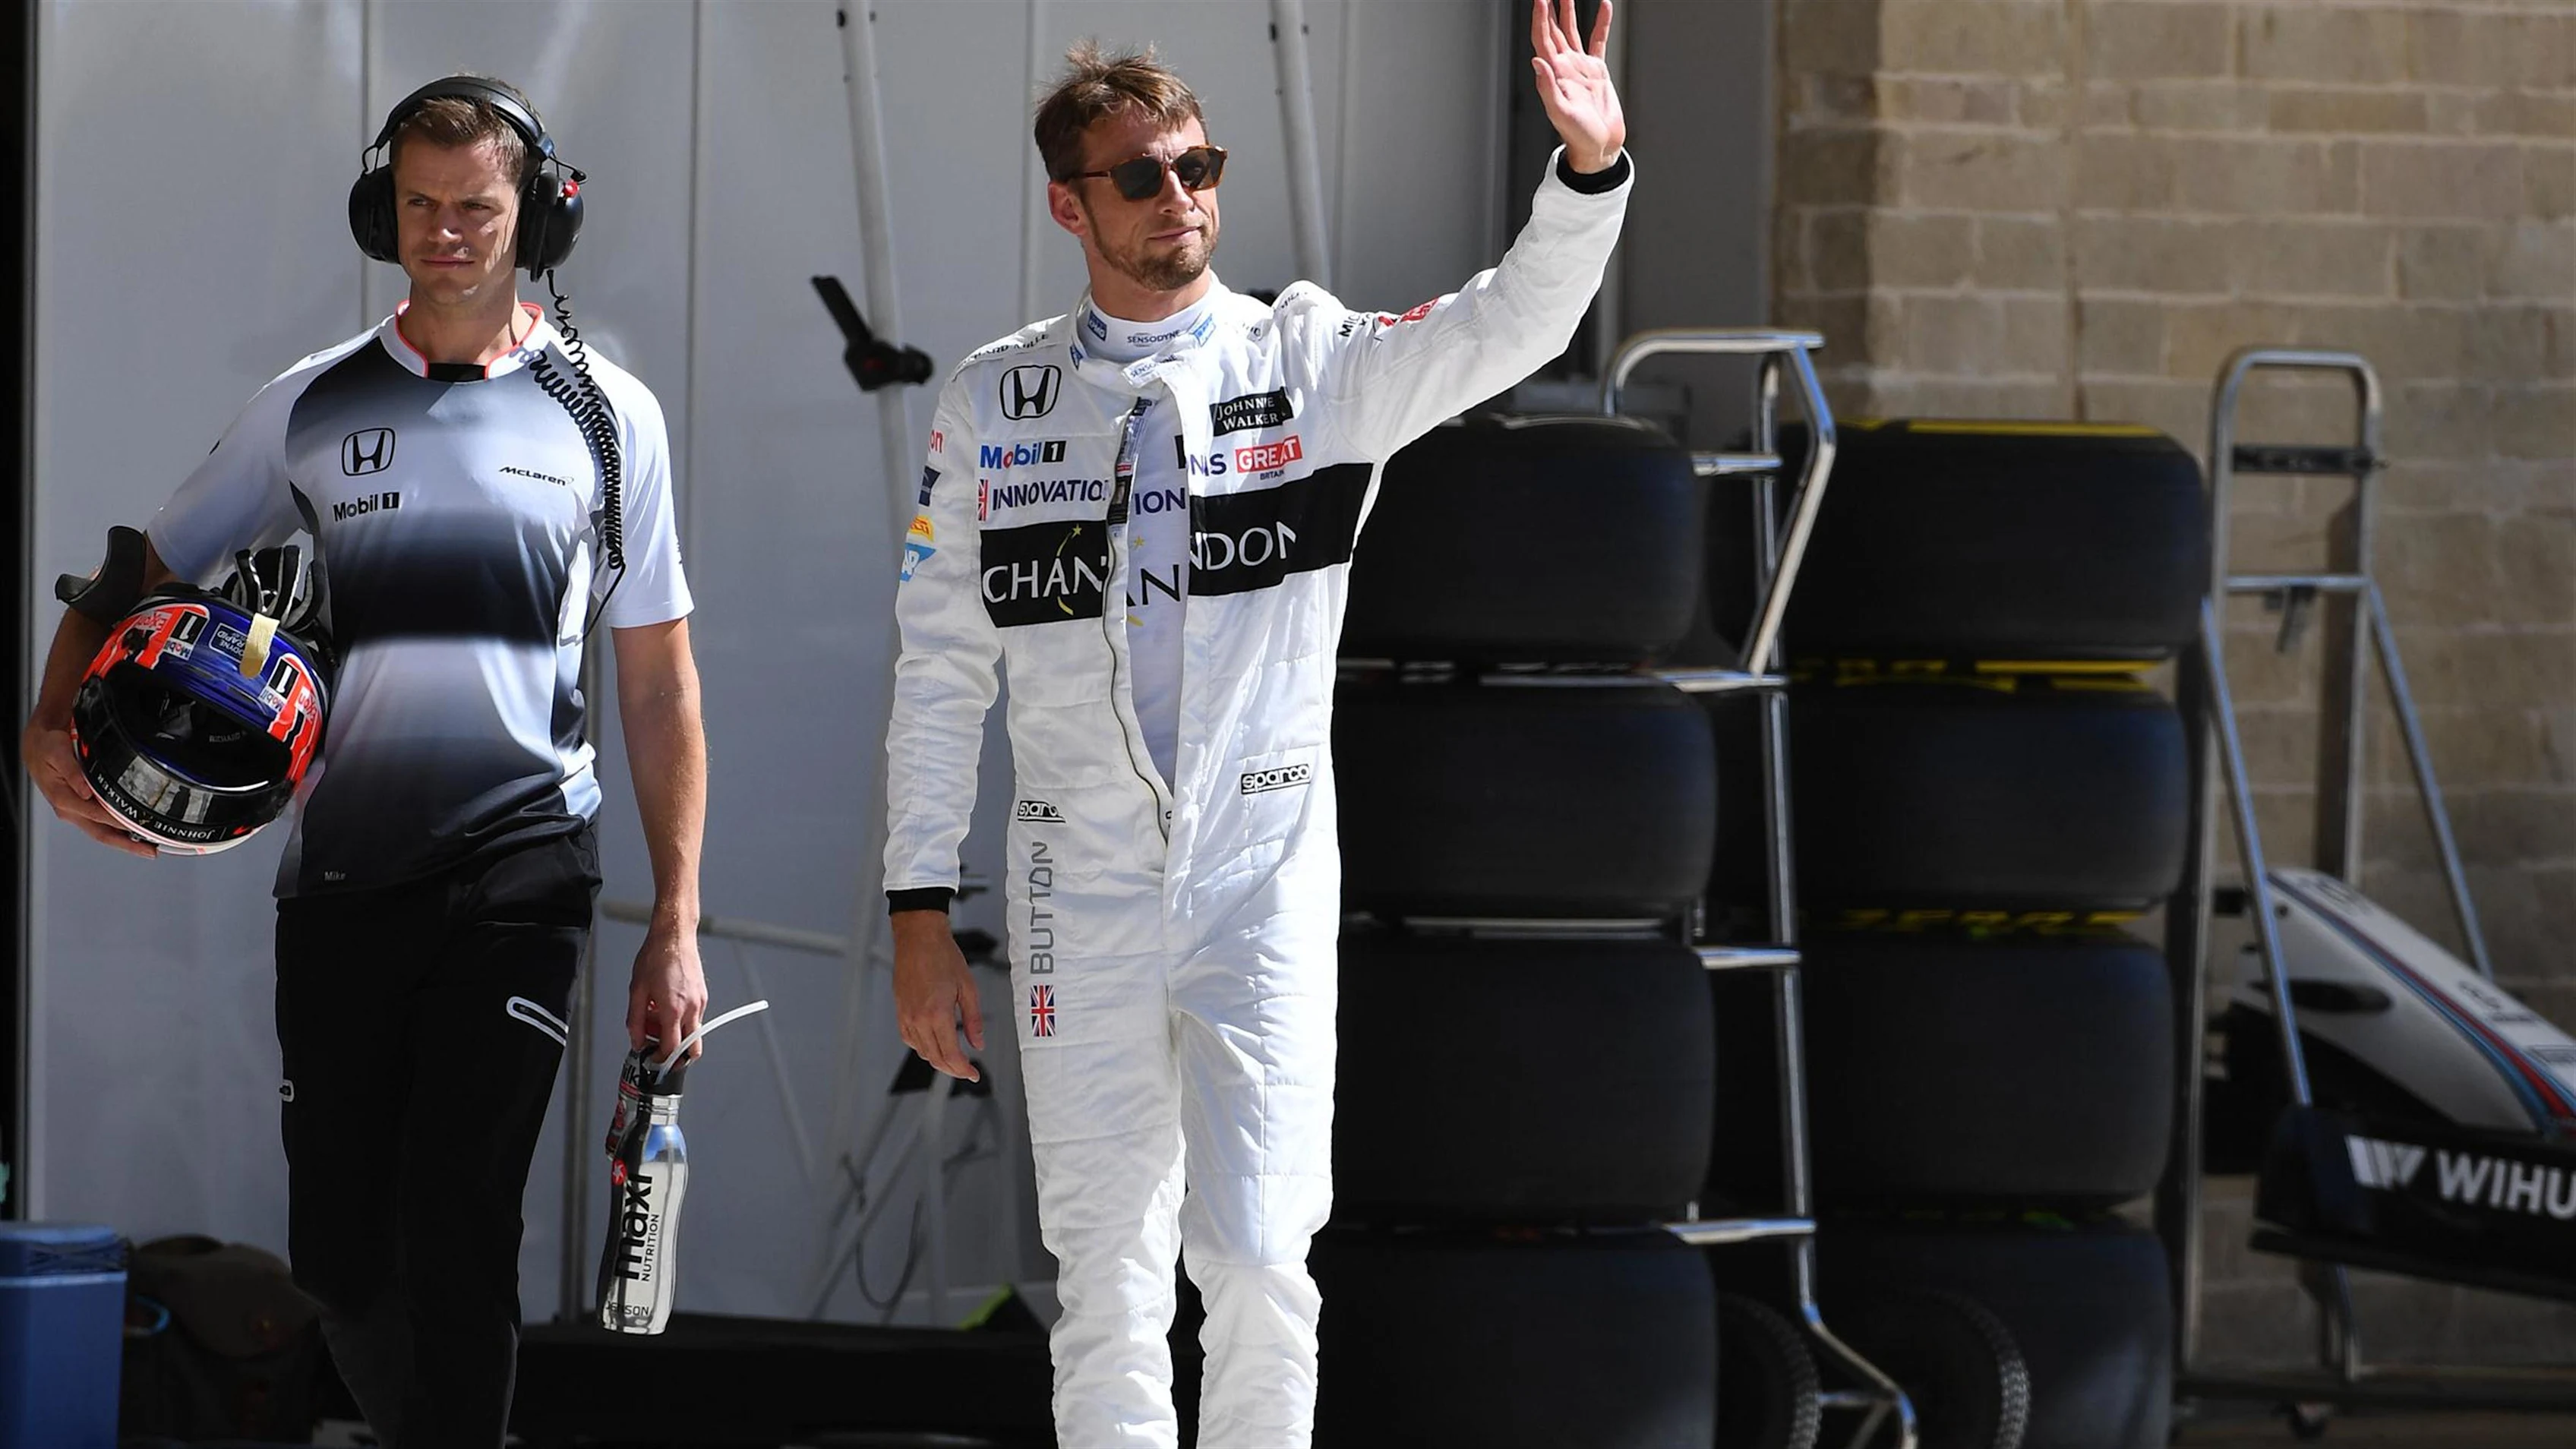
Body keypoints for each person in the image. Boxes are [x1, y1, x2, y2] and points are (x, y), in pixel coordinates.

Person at [882, 2, 1630, 1441]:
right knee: (1103, 1275)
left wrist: (1587, 172)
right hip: (1072, 879)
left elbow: (1509, 322)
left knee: (1261, 1264)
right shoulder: (994, 400)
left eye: (1198, 166)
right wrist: (921, 904)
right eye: (1142, 178)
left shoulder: (1315, 358)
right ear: (1069, 203)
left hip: (1262, 872)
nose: (1182, 199)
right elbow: (935, 672)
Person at [21, 76, 706, 1447]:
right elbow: (133, 577)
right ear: (380, 211)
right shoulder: (311, 407)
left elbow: (658, 677)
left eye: (478, 208)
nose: (446, 233)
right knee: (340, 1260)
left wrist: (674, 920)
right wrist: (51, 733)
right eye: (419, 207)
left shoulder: (609, 414)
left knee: (462, 1226)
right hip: (342, 873)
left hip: (524, 866)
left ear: (538, 219)